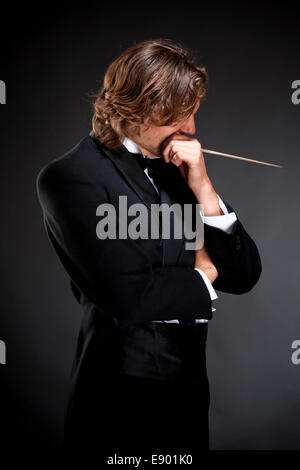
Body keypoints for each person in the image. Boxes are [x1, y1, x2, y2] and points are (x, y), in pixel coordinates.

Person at [36, 38, 262, 452]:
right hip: (116, 403)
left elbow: (245, 274)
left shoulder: (179, 170)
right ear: (135, 106)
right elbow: (129, 295)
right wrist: (207, 270)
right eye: (178, 114)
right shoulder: (69, 177)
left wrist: (205, 189)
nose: (191, 128)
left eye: (193, 112)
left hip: (189, 398)